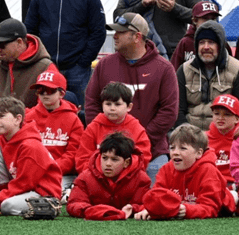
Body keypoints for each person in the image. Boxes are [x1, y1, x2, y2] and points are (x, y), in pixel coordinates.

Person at [85, 12, 178, 183]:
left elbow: (169, 112)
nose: (115, 36)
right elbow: (91, 105)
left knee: (153, 204)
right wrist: (111, 144)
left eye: (120, 32)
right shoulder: (105, 65)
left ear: (137, 37)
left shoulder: (163, 68)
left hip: (152, 152)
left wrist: (138, 139)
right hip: (108, 154)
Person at [24, 0, 106, 106]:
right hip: (47, 66)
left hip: (77, 69)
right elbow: (30, 31)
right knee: (45, 109)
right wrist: (39, 59)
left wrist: (83, 61)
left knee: (78, 110)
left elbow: (98, 32)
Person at [0, 97, 62, 216]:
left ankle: (49, 206)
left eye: (1, 116)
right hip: (20, 189)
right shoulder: (2, 140)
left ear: (18, 119)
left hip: (42, 192)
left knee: (7, 206)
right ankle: (6, 198)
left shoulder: (30, 145)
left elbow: (24, 184)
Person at [134, 124, 235, 220]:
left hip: (225, 203)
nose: (175, 152)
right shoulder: (166, 169)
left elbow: (211, 208)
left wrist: (187, 210)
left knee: (234, 199)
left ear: (199, 153)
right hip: (186, 203)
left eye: (183, 148)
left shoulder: (208, 170)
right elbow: (156, 197)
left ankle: (234, 192)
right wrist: (147, 209)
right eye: (172, 148)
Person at [176, 20, 239, 130]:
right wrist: (188, 134)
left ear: (220, 45)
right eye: (201, 42)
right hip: (190, 134)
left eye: (211, 42)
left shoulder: (238, 70)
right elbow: (177, 109)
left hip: (225, 134)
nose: (206, 47)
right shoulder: (184, 70)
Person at [67, 132, 151, 220]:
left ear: (126, 162)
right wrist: (92, 210)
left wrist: (133, 208)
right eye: (104, 158)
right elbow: (74, 204)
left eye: (114, 159)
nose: (108, 164)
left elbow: (148, 204)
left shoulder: (142, 180)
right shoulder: (85, 178)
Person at [24, 70, 83, 190]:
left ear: (61, 94)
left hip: (61, 174)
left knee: (48, 189)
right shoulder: (28, 116)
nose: (45, 94)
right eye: (40, 90)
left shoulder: (73, 119)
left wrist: (51, 169)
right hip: (32, 171)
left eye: (50, 90)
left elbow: (72, 154)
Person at [76, 82, 151, 173]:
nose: (112, 108)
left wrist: (121, 172)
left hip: (127, 179)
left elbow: (142, 159)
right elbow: (82, 159)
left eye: (117, 104)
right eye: (108, 104)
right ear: (102, 105)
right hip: (97, 178)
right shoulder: (93, 128)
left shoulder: (137, 129)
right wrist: (102, 173)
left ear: (129, 107)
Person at [0, 18, 56, 108]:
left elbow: (49, 108)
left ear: (19, 42)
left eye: (1, 44)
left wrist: (15, 119)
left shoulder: (45, 68)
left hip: (32, 122)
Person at [169, 1, 220, 70]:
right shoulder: (185, 42)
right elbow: (173, 70)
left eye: (213, 19)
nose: (210, 22)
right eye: (205, 18)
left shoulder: (221, 43)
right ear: (195, 20)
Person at [206, 94, 239, 189]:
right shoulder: (203, 138)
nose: (220, 118)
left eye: (227, 114)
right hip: (209, 183)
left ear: (237, 118)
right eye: (217, 114)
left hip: (236, 185)